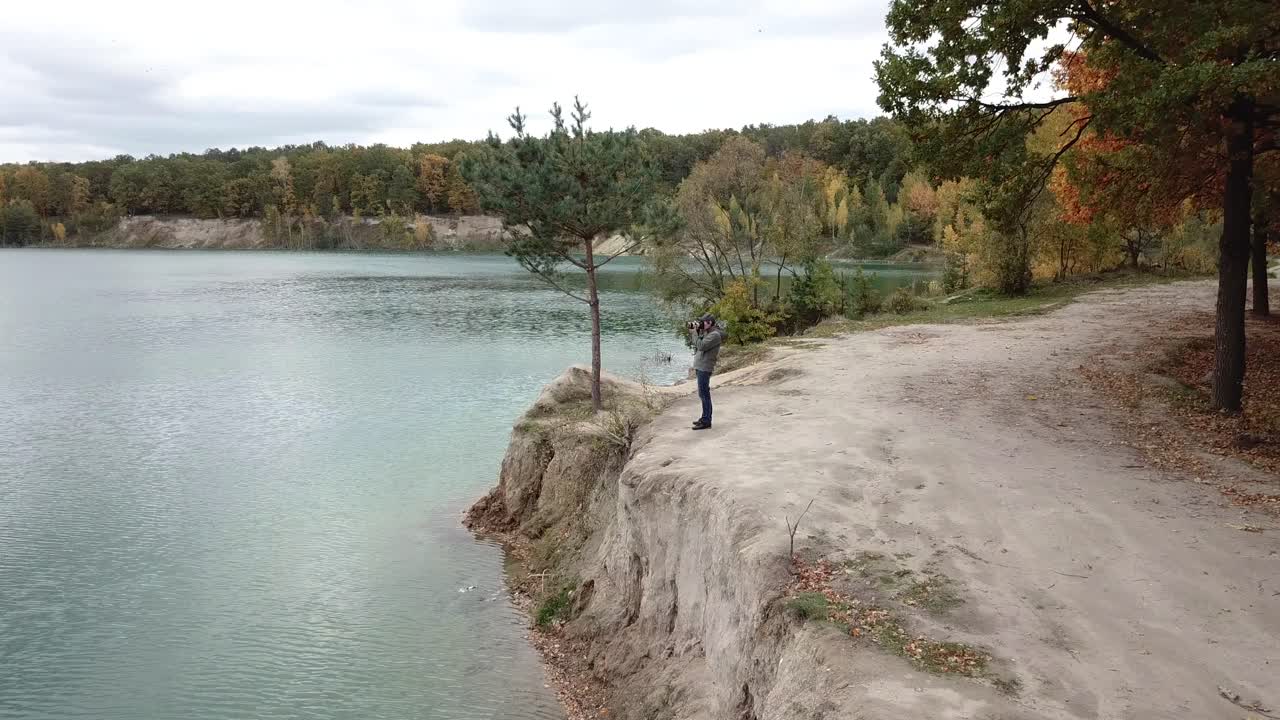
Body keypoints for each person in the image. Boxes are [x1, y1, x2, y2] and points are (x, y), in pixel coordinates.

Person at [689, 313, 724, 430]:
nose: (701, 324)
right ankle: (704, 418)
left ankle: (706, 421)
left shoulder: (714, 335)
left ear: (709, 323)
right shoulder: (708, 333)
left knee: (704, 394)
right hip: (701, 367)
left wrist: (694, 332)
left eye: (703, 322)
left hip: (705, 368)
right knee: (702, 394)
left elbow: (701, 346)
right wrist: (699, 331)